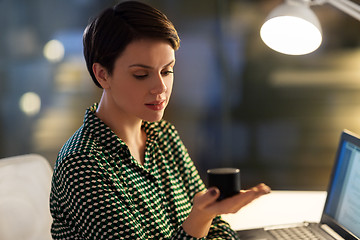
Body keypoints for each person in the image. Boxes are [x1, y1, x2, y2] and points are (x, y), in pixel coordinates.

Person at [49, 1, 271, 239]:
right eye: (141, 75)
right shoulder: (82, 164)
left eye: (167, 71)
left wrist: (207, 216)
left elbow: (216, 226)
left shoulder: (163, 135)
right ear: (102, 74)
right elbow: (205, 220)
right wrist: (200, 218)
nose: (160, 88)